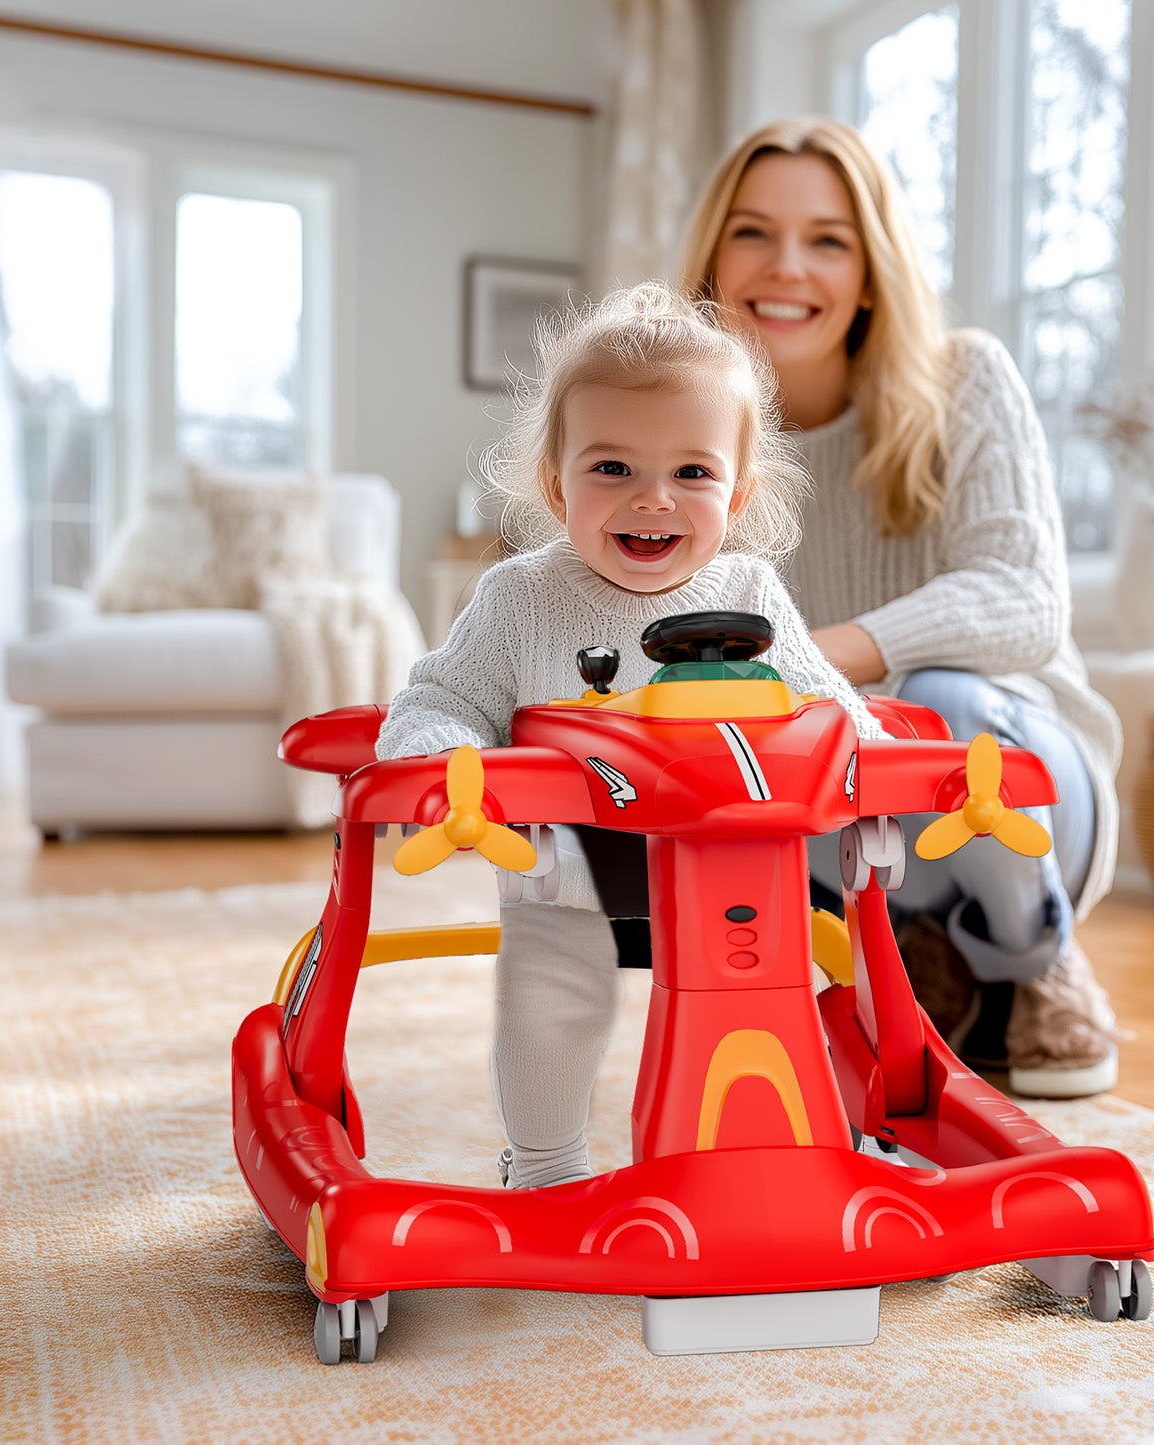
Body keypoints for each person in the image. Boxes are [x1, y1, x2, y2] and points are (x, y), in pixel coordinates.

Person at [376, 280, 887, 1188]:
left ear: (737, 494)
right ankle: (544, 1164)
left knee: (801, 994)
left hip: (732, 872)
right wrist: (441, 759)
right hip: (565, 865)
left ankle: (810, 1147)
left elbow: (824, 706)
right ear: (554, 482)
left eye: (691, 473)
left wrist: (875, 778)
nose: (653, 499)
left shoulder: (752, 592)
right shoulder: (521, 597)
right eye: (612, 469)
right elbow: (438, 696)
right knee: (549, 998)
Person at [679, 117, 1125, 1099]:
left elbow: (1022, 600)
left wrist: (811, 653)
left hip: (1018, 789)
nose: (785, 265)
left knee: (939, 698)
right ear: (712, 257)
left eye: (827, 239)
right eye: (752, 232)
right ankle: (914, 948)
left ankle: (1031, 958)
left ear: (872, 268)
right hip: (847, 816)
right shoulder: (688, 443)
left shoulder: (963, 379)